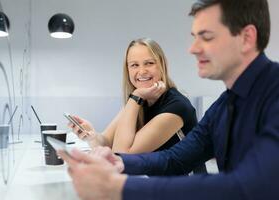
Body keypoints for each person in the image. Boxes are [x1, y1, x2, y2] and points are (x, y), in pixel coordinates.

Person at [59, 0, 279, 199]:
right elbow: (174, 158)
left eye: (207, 37)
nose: (192, 49)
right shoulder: (224, 105)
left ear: (247, 38)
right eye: (194, 38)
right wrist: (118, 161)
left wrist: (121, 188)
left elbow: (252, 185)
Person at [70, 38, 203, 158]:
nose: (142, 71)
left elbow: (121, 155)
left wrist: (136, 96)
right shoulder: (138, 100)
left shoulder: (176, 106)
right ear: (127, 69)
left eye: (149, 63)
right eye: (134, 65)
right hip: (152, 180)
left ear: (162, 65)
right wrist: (91, 136)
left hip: (180, 184)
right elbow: (106, 143)